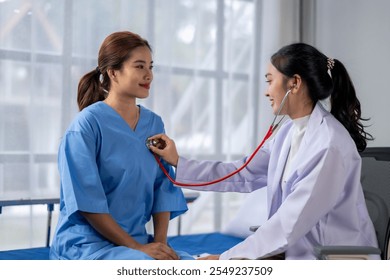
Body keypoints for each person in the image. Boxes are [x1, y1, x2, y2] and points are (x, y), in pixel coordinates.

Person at [148, 43, 379, 260]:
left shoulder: (329, 144)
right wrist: (178, 161)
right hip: (302, 253)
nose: (267, 92)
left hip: (335, 259)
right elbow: (241, 173)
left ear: (294, 84)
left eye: (270, 81)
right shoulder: (288, 131)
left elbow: (289, 223)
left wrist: (224, 259)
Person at [50, 31, 192, 260]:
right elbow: (87, 202)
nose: (149, 75)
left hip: (135, 241)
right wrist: (138, 249)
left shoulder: (154, 123)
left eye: (151, 67)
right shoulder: (86, 126)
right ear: (113, 72)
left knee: (186, 266)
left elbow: (162, 188)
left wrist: (160, 245)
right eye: (139, 66)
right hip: (86, 243)